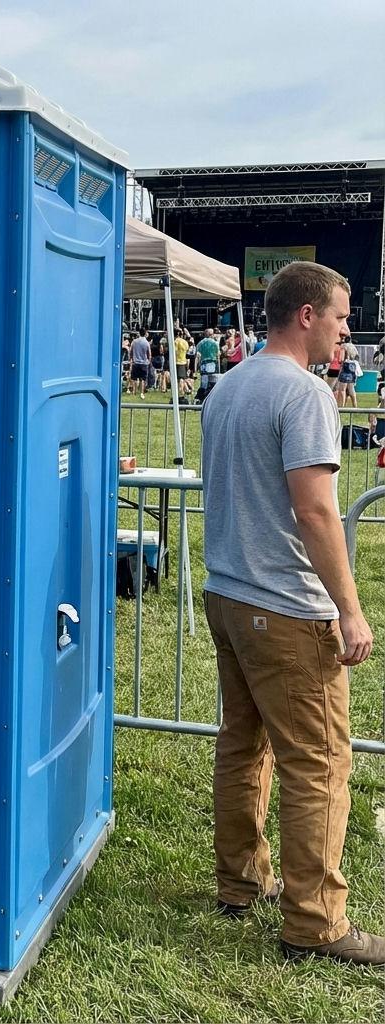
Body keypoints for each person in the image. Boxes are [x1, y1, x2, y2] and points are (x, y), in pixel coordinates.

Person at [201, 260, 382, 966]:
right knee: (320, 764)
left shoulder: (227, 385)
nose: (345, 331)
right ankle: (316, 923)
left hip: (230, 594)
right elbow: (314, 509)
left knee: (242, 744)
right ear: (305, 314)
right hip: (284, 608)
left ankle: (240, 881)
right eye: (340, 317)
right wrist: (351, 609)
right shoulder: (304, 394)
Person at [333, 338, 361, 408]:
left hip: (346, 366)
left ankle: (341, 407)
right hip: (353, 367)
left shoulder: (343, 346)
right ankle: (355, 406)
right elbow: (357, 357)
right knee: (351, 388)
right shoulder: (353, 347)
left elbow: (341, 358)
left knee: (342, 389)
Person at [196, 329, 220, 402]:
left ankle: (202, 397)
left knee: (204, 382)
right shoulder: (215, 343)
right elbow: (218, 355)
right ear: (211, 334)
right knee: (213, 381)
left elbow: (198, 356)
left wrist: (197, 366)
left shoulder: (200, 343)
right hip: (212, 363)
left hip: (204, 363)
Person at [129, 329, 151, 396]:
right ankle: (141, 392)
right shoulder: (146, 342)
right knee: (143, 379)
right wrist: (148, 361)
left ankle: (134, 392)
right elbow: (149, 354)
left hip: (135, 362)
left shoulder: (134, 341)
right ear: (145, 334)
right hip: (144, 363)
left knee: (134, 378)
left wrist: (131, 359)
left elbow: (131, 351)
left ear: (139, 333)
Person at [173, 328, 190, 397]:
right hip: (184, 361)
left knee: (179, 379)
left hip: (178, 362)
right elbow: (187, 349)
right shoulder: (185, 342)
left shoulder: (176, 341)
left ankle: (181, 391)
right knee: (183, 377)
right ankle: (186, 389)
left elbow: (174, 351)